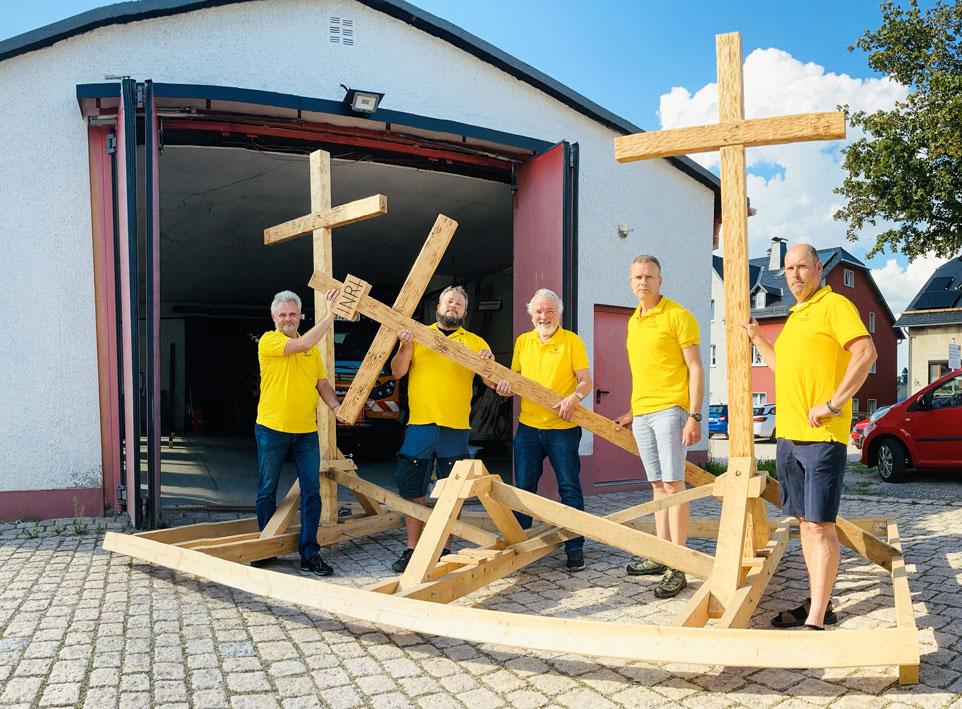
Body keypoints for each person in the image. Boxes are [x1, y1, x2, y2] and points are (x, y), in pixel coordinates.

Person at [745, 243, 876, 630]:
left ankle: (817, 615)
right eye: (789, 268)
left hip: (822, 438)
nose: (795, 274)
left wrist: (834, 404)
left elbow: (865, 352)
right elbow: (783, 368)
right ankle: (818, 599)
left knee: (821, 524)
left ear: (819, 268)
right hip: (788, 436)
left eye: (802, 266)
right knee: (804, 522)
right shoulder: (796, 315)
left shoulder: (834, 306)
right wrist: (757, 340)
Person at [614, 255, 703, 599]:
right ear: (630, 281)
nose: (643, 282)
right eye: (637, 277)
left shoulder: (678, 316)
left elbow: (695, 368)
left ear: (660, 280)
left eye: (649, 277)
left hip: (671, 411)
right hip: (645, 413)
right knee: (656, 486)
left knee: (674, 485)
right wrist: (634, 411)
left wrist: (694, 415)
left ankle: (677, 566)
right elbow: (647, 371)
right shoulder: (634, 321)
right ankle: (661, 554)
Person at [389, 285, 495, 573]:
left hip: (456, 428)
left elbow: (492, 383)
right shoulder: (418, 335)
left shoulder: (475, 343)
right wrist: (407, 347)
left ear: (465, 310)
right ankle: (412, 549)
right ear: (438, 306)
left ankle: (444, 550)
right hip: (420, 425)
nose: (453, 307)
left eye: (459, 304)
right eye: (449, 302)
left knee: (452, 492)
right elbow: (397, 372)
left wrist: (490, 366)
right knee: (412, 487)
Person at [496, 288, 592, 572]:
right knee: (523, 487)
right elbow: (513, 380)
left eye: (550, 311)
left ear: (558, 313)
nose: (544, 316)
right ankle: (520, 545)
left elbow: (585, 380)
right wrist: (504, 387)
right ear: (531, 314)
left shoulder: (571, 341)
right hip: (528, 427)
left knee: (569, 487)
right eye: (538, 311)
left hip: (562, 427)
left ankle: (574, 547)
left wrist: (575, 398)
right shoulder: (523, 342)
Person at [255, 288, 341, 576]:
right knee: (268, 489)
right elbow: (303, 343)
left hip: (306, 431)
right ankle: (266, 548)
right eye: (282, 315)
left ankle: (309, 553)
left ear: (299, 315)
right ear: (273, 317)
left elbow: (323, 384)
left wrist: (337, 408)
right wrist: (330, 316)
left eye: (292, 314)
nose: (288, 319)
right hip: (272, 428)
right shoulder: (269, 340)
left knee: (312, 492)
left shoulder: (311, 351)